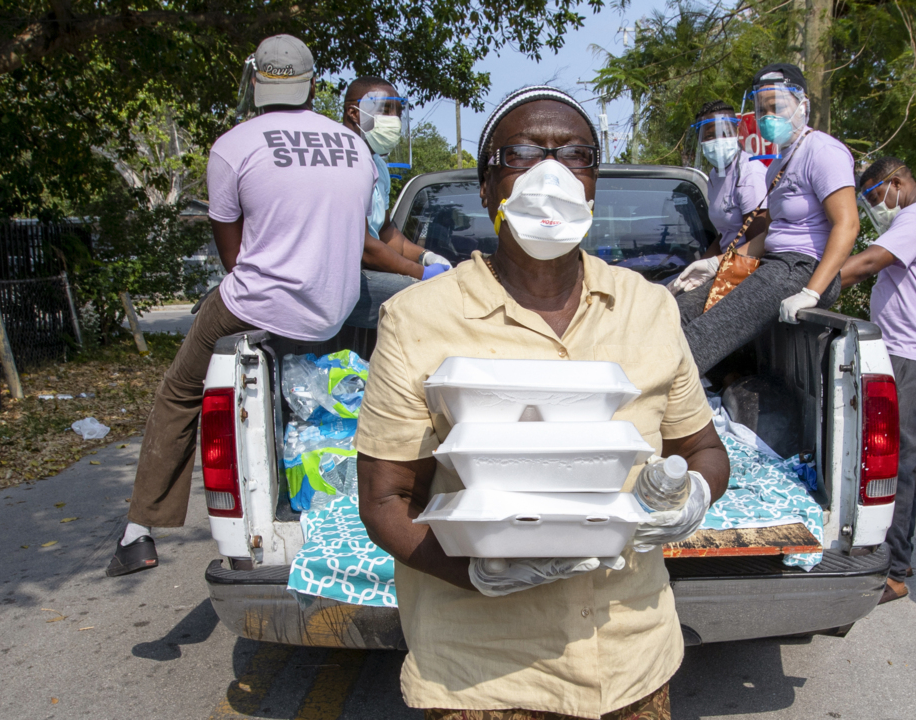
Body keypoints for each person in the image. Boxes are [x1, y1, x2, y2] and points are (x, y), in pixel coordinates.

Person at [355, 85, 730, 720]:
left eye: (574, 154)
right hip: (486, 679)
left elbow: (700, 447)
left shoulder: (649, 307)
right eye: (521, 153)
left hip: (632, 662)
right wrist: (471, 572)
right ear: (485, 187)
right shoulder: (418, 318)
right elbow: (386, 499)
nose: (550, 171)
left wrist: (693, 494)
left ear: (593, 182)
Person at [107, 34, 378, 576]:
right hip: (335, 308)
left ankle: (139, 531)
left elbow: (233, 256)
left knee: (181, 389)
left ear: (256, 82)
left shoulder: (233, 145)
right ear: (313, 87)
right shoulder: (355, 147)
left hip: (256, 306)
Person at [674, 63, 858, 373]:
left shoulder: (823, 151)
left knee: (704, 335)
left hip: (803, 268)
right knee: (681, 310)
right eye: (762, 109)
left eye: (777, 106)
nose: (768, 116)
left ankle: (670, 403)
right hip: (771, 263)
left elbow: (848, 224)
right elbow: (767, 236)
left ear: (803, 105)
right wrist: (716, 265)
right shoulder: (777, 165)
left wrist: (811, 292)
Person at [840, 157, 916, 604]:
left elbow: (872, 260)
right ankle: (901, 554)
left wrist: (817, 285)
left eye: (875, 197)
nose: (875, 208)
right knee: (909, 455)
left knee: (896, 457)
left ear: (895, 184)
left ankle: (891, 572)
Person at [341, 76, 453, 328]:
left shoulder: (377, 164)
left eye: (398, 112)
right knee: (432, 302)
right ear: (353, 112)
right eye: (385, 110)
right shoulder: (343, 161)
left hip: (365, 273)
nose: (393, 119)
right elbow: (364, 246)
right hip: (342, 279)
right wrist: (421, 275)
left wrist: (425, 256)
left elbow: (385, 232)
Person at [669, 100, 767, 294]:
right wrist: (701, 265)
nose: (718, 140)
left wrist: (716, 266)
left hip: (745, 273)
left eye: (725, 133)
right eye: (709, 136)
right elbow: (725, 233)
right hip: (724, 264)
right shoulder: (716, 175)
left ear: (736, 132)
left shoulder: (749, 173)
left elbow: (760, 243)